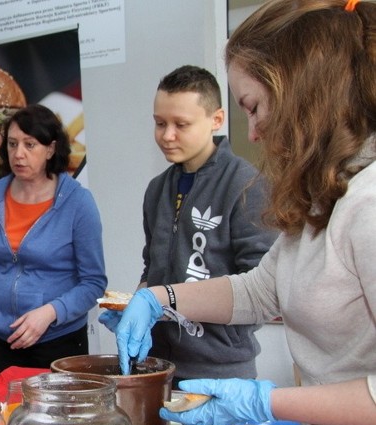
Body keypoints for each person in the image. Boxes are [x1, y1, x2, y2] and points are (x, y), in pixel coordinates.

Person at [114, 1, 376, 425]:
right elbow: (259, 289)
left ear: (307, 97)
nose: (252, 129)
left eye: (254, 107)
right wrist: (158, 297)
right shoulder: (329, 196)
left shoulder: (371, 204)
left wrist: (266, 400)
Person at [101, 66, 276, 386]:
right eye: (159, 123)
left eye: (181, 125)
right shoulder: (157, 190)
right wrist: (134, 307)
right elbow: (152, 269)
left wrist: (160, 299)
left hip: (220, 371)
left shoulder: (246, 184)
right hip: (160, 367)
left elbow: (263, 290)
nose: (167, 135)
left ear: (217, 120)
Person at [0, 104, 107, 378]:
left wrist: (51, 313)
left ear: (51, 149)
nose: (19, 154)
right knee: (0, 419)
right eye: (13, 144)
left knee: (56, 421)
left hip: (58, 343)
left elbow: (94, 283)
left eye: (30, 145)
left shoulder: (78, 202)